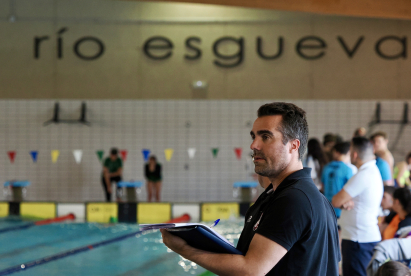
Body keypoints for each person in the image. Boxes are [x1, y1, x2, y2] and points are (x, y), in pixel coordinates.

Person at [161, 102, 340, 276]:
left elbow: (250, 270)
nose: (254, 145)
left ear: (294, 145)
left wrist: (184, 249)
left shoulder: (294, 199)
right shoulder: (297, 196)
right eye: (253, 136)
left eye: (265, 137)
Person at [332, 137, 384, 276]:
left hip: (359, 240)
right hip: (360, 238)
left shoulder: (363, 175)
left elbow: (336, 201)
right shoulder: (371, 171)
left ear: (354, 154)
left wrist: (343, 201)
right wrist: (346, 201)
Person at [322, 141, 354, 218]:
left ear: (336, 152)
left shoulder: (326, 168)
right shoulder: (348, 169)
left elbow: (323, 186)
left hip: (326, 208)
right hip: (341, 209)